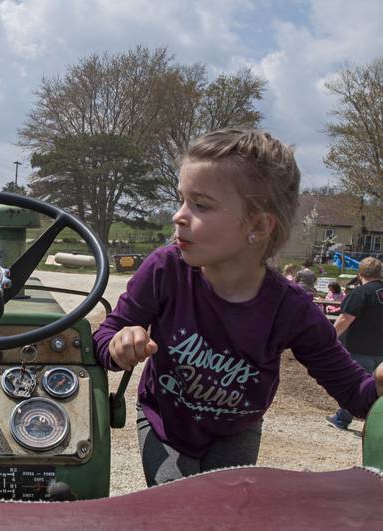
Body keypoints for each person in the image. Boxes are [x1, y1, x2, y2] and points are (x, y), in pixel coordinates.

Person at [93, 128, 383, 487]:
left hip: (237, 432)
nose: (178, 216)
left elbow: (357, 395)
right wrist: (119, 345)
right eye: (181, 199)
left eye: (200, 204)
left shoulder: (291, 309)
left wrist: (379, 385)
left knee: (223, 514)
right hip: (165, 422)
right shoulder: (165, 270)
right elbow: (104, 336)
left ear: (258, 226)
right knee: (178, 510)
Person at [326, 257, 383, 430]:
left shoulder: (361, 293)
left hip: (361, 348)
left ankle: (343, 419)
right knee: (379, 390)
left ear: (360, 274)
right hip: (381, 351)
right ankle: (371, 425)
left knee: (357, 387)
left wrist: (329, 338)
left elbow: (345, 318)